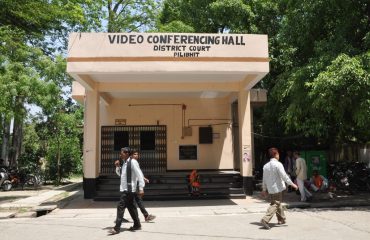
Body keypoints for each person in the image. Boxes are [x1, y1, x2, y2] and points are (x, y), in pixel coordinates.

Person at [109, 147, 145, 235]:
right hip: (125, 189)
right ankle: (137, 224)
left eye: (122, 153)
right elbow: (121, 175)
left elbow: (139, 175)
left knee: (120, 206)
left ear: (127, 154)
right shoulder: (125, 163)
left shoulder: (133, 162)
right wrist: (117, 167)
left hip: (129, 189)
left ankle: (117, 228)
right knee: (131, 207)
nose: (120, 154)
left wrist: (141, 188)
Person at [260, 147, 298, 230]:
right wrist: (292, 184)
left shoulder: (265, 166)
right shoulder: (278, 164)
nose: (279, 156)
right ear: (275, 154)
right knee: (275, 204)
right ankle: (265, 219)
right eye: (278, 154)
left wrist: (264, 189)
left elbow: (264, 179)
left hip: (270, 189)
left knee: (278, 203)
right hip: (277, 188)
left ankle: (281, 219)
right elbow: (284, 176)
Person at [130, 150, 156, 222]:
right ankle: (142, 218)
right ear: (131, 155)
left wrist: (143, 178)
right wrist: (141, 188)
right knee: (125, 203)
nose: (136, 155)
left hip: (133, 186)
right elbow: (138, 173)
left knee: (137, 201)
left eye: (137, 154)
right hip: (131, 186)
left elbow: (138, 173)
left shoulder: (133, 162)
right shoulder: (133, 162)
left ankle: (146, 216)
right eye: (135, 154)